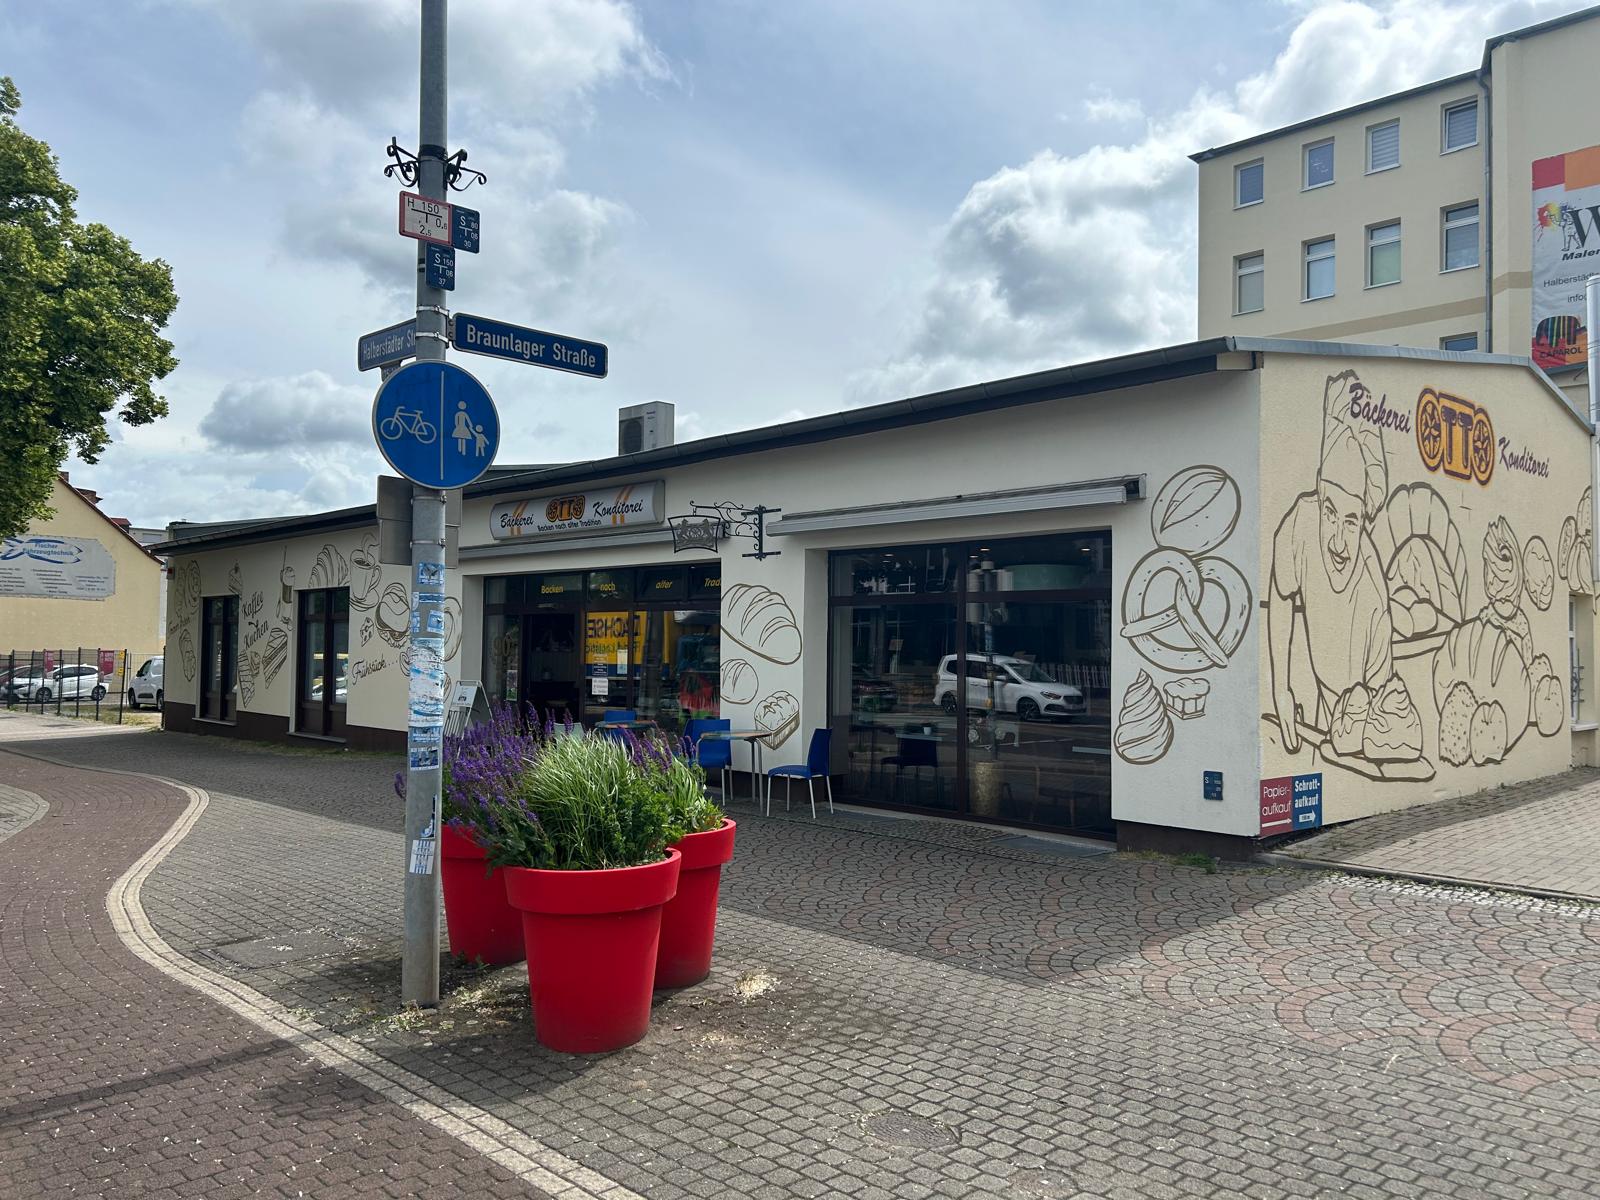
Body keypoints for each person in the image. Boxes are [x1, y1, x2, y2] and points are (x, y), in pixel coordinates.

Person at [1268, 370, 1394, 752]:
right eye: (1330, 513)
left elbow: (1378, 704)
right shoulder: (1301, 521)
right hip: (1320, 688)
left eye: (1352, 522)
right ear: (1319, 495)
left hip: (1356, 707)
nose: (1338, 542)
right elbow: (1280, 596)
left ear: (1365, 521)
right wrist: (1281, 690)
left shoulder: (1374, 597)